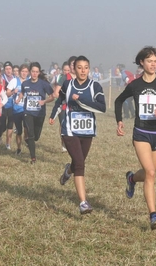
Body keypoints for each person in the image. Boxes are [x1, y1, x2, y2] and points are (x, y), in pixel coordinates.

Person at [114, 46, 156, 230]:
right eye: (149, 61)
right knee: (151, 173)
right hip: (141, 133)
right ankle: (153, 215)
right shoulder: (135, 85)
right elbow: (118, 100)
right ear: (142, 63)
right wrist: (119, 121)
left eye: (155, 61)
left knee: (148, 173)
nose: (153, 64)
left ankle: (131, 179)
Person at [49, 55, 106, 214]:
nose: (82, 70)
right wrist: (53, 115)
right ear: (74, 68)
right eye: (79, 67)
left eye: (85, 67)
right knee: (80, 164)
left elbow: (102, 108)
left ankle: (68, 171)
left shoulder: (95, 86)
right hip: (69, 129)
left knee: (78, 162)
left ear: (89, 69)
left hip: (87, 131)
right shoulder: (67, 84)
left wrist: (81, 101)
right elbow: (60, 101)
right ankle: (83, 202)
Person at [17, 62, 54, 163]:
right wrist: (18, 99)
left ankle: (31, 141)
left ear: (39, 73)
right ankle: (33, 158)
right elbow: (22, 92)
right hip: (28, 112)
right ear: (30, 72)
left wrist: (44, 101)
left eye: (36, 72)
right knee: (31, 135)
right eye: (33, 71)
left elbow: (52, 97)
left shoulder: (44, 84)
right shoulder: (25, 84)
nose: (34, 74)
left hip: (40, 113)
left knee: (36, 137)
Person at [8, 64, 29, 155]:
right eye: (23, 71)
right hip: (16, 109)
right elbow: (7, 93)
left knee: (27, 128)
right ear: (19, 71)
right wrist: (13, 92)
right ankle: (19, 148)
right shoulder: (14, 81)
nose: (24, 73)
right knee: (19, 131)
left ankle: (26, 138)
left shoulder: (30, 81)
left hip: (27, 109)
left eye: (26, 72)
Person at [0, 61, 15, 150]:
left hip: (12, 105)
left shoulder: (15, 79)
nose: (8, 71)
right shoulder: (2, 78)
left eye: (10, 69)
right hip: (3, 105)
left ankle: (8, 144)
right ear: (4, 70)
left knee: (10, 124)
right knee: (2, 125)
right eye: (6, 69)